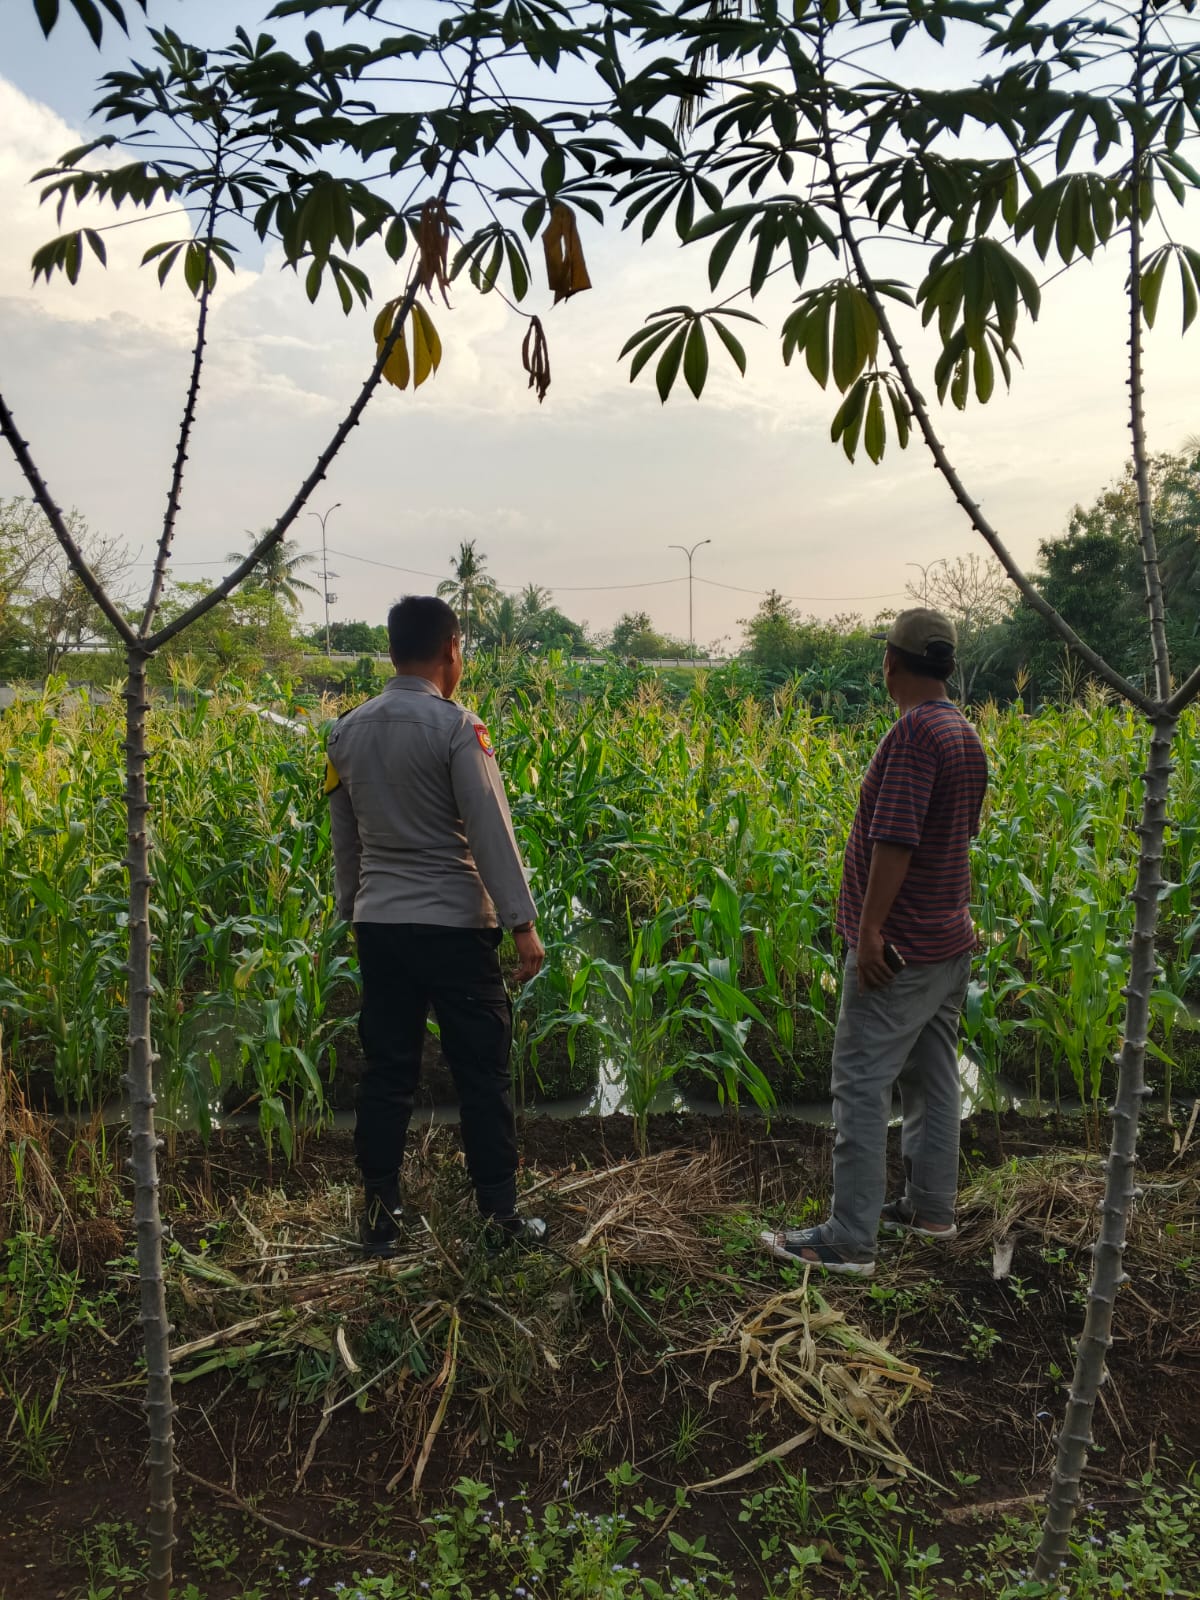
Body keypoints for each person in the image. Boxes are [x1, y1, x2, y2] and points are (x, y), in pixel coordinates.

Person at [760, 608, 988, 1277]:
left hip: (900, 952)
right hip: (947, 942)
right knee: (933, 1077)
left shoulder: (914, 733)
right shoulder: (963, 732)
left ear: (890, 663)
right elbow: (959, 833)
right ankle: (931, 1210)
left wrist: (869, 931)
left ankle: (849, 1238)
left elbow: (898, 840)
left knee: (860, 1083)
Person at [325, 594, 548, 1255]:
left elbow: (345, 837)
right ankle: (498, 1218)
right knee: (481, 1071)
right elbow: (490, 830)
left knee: (387, 1069)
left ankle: (381, 1216)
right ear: (452, 650)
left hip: (382, 925)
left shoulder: (344, 733)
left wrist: (353, 910)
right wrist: (522, 924)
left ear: (393, 650)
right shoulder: (458, 728)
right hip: (455, 925)